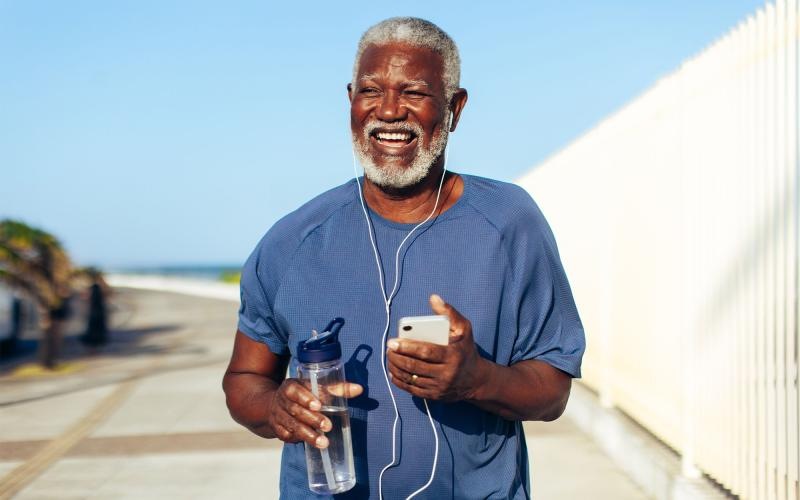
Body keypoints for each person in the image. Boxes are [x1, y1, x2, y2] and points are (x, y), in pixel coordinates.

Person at [223, 17, 585, 499]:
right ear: (350, 100)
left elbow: (553, 392)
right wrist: (273, 409)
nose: (389, 111)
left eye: (413, 93)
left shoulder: (509, 223)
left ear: (454, 109)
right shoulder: (293, 240)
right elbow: (245, 379)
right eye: (371, 91)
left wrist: (477, 379)